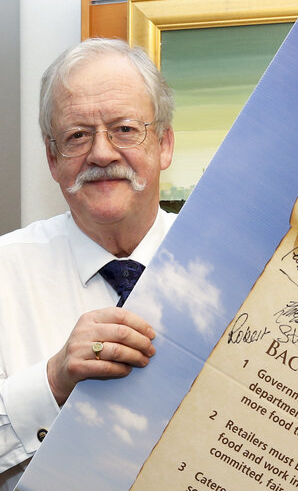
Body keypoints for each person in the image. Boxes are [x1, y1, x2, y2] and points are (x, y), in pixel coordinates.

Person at [0, 38, 176, 489]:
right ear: (53, 158)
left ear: (164, 143)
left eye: (124, 129)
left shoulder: (235, 266)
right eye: (77, 135)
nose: (101, 153)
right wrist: (51, 382)